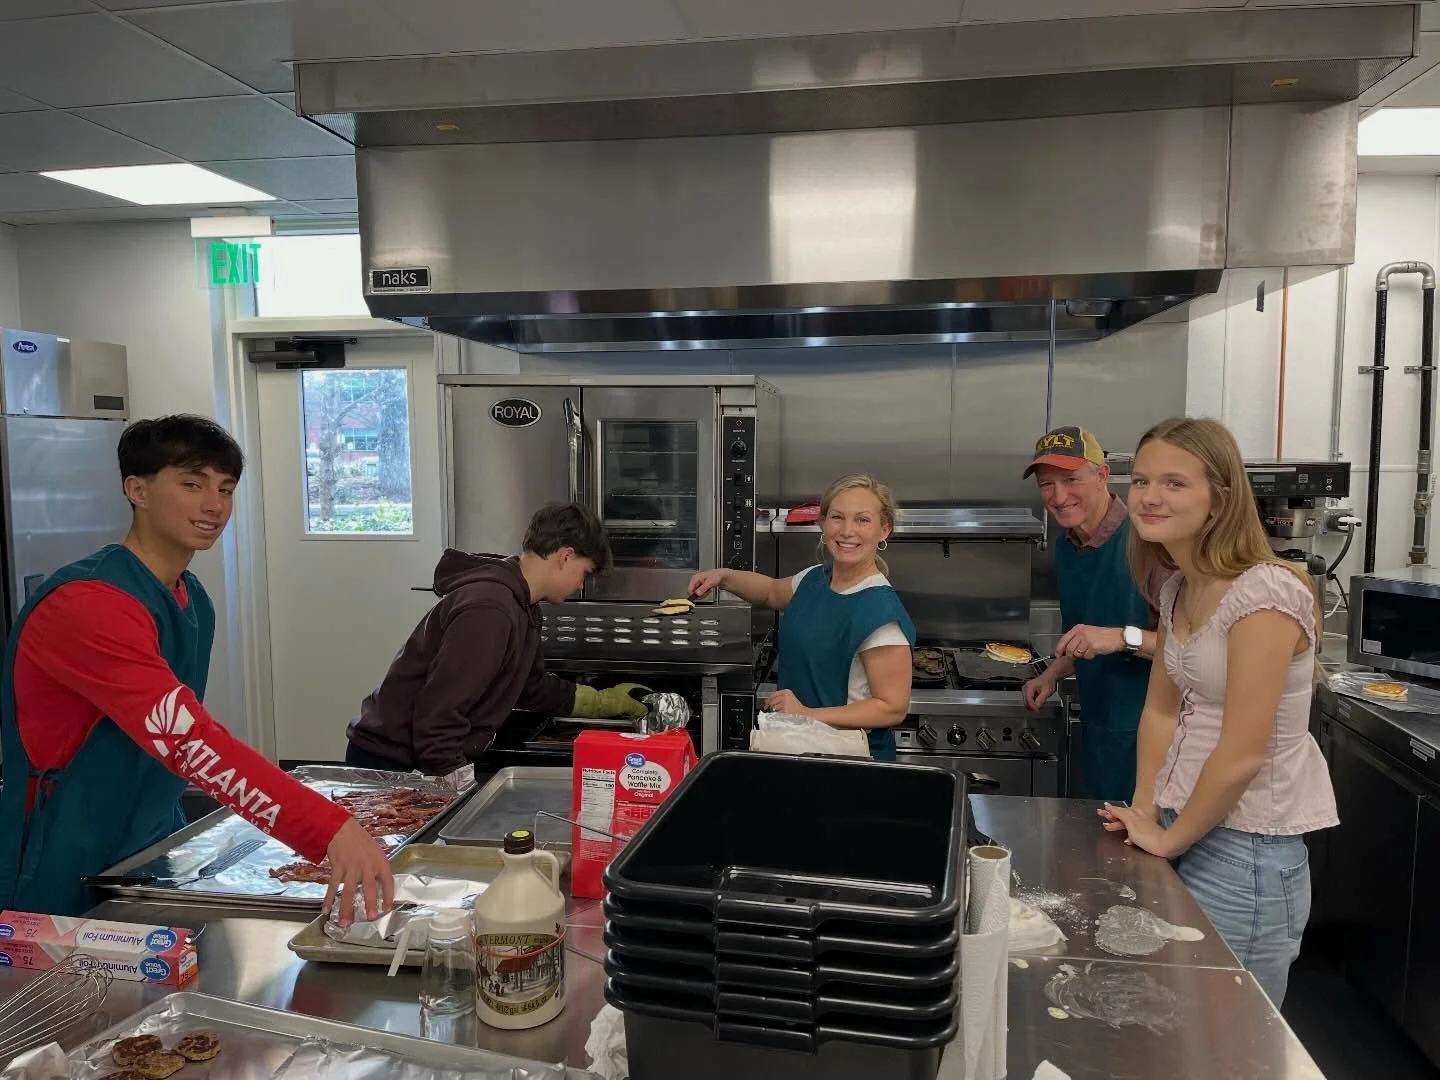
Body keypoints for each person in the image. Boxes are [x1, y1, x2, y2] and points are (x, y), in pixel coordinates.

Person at [0, 415, 393, 921]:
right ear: (136, 489)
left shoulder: (192, 599)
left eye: (225, 489)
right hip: (62, 854)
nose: (215, 506)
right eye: (192, 484)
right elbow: (187, 740)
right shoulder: (87, 603)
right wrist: (327, 828)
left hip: (147, 843)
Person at [1100, 417, 1337, 1006]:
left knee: (1232, 1040)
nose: (1150, 496)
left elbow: (1242, 751)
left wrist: (1170, 838)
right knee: (1179, 1022)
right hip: (1187, 821)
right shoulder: (1179, 587)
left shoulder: (1265, 593)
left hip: (1247, 853)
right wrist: (1147, 808)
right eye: (1143, 480)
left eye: (1175, 483)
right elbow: (1160, 710)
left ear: (1220, 499)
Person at [345, 503, 651, 776]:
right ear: (566, 556)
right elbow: (438, 717)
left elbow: (531, 688)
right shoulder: (490, 609)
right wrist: (459, 791)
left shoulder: (522, 604)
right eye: (584, 573)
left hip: (420, 756)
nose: (581, 584)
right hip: (391, 764)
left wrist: (603, 702)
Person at [689, 475, 913, 761]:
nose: (846, 531)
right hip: (802, 748)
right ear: (822, 523)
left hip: (851, 763)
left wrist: (806, 714)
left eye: (862, 520)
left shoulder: (880, 613)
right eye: (837, 517)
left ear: (885, 530)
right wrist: (724, 577)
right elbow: (770, 591)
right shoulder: (814, 579)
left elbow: (892, 707)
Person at [1021, 426, 1163, 802]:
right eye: (1046, 485)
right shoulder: (1067, 548)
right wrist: (1053, 672)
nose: (1058, 496)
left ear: (1102, 476)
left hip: (1158, 740)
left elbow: (1197, 648)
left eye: (1070, 480)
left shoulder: (1149, 540)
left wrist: (1121, 637)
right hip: (1102, 731)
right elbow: (1082, 635)